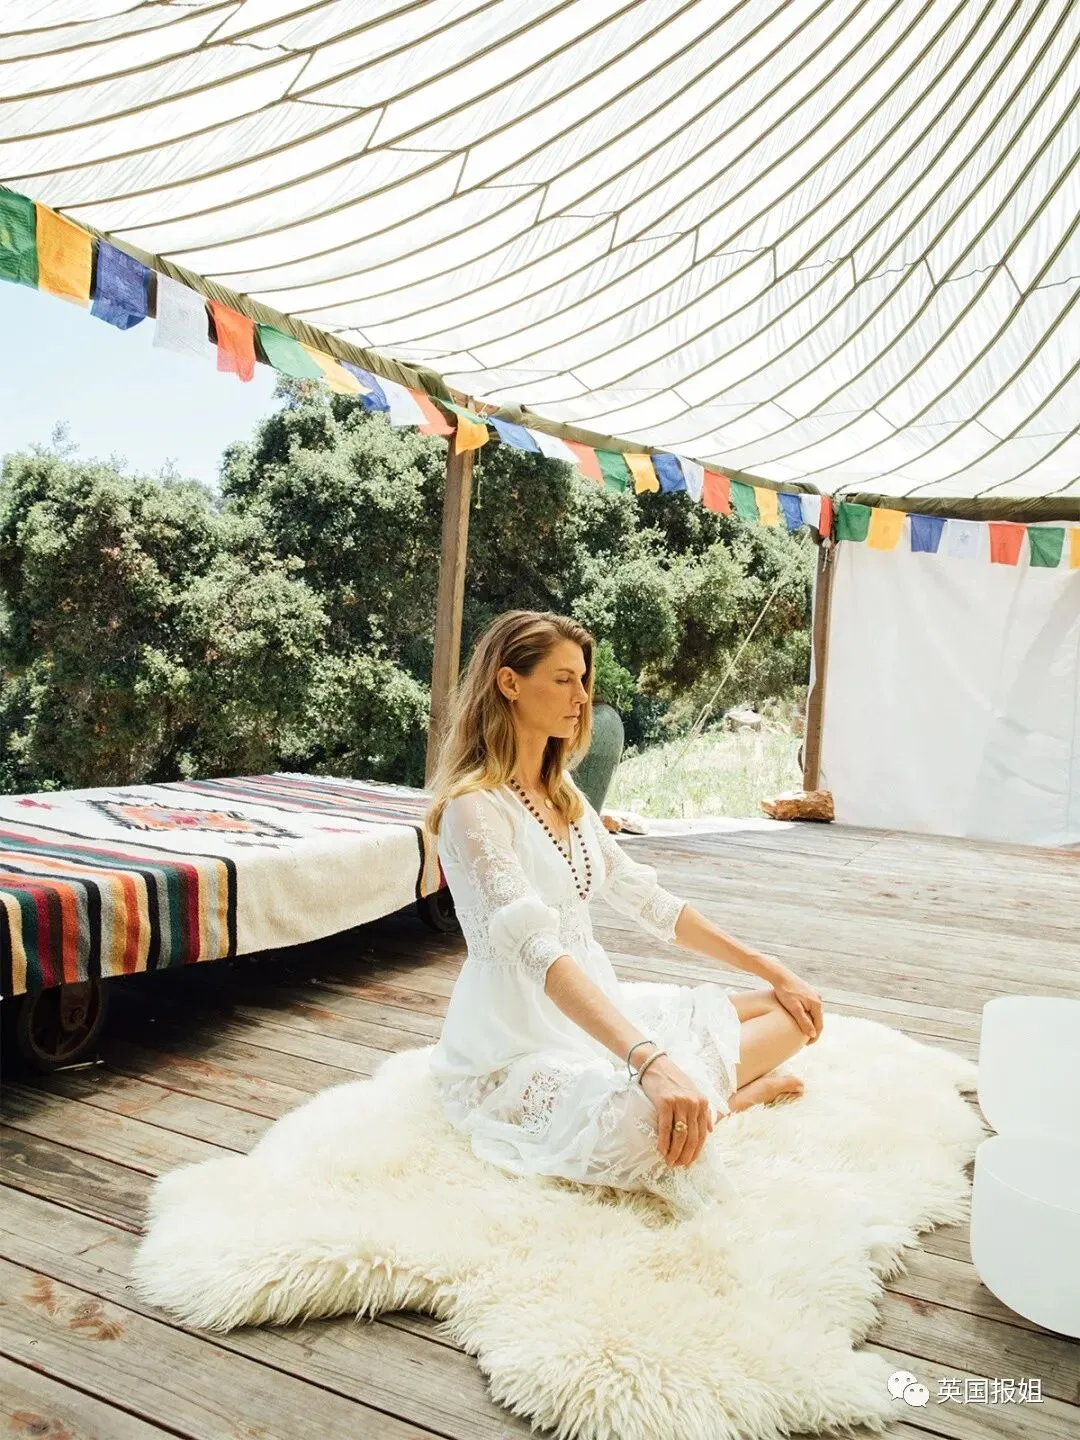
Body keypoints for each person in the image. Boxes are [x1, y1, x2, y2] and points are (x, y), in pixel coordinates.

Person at [425, 610, 823, 1219]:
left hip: (599, 1007)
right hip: (514, 1040)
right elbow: (540, 954)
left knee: (793, 1012)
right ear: (509, 683)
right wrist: (650, 1060)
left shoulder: (566, 796)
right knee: (642, 1123)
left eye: (583, 681)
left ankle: (702, 1099)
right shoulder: (474, 808)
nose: (582, 698)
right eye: (564, 680)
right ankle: (729, 1100)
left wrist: (771, 967)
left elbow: (649, 902)